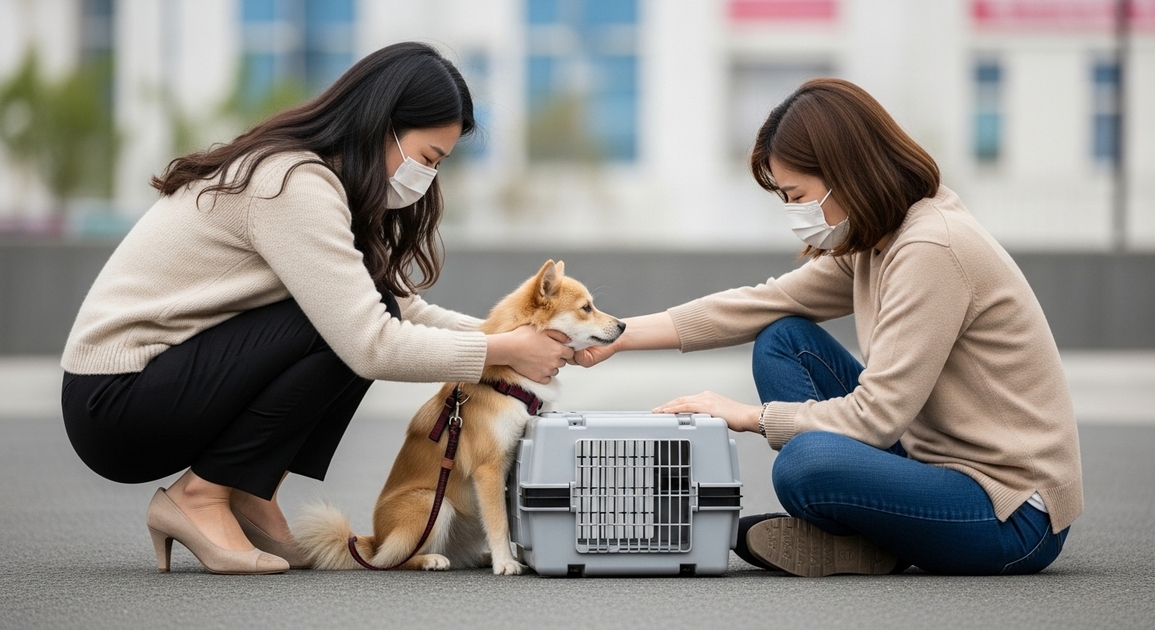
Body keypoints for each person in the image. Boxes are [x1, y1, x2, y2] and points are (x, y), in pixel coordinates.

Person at [60, 42, 574, 575]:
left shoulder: (329, 187)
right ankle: (199, 497)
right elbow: (372, 344)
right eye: (427, 160)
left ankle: (246, 490)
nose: (427, 180)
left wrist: (531, 337)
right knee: (351, 328)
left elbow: (408, 312)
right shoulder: (293, 183)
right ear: (384, 125)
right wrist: (507, 347)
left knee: (365, 312)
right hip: (115, 400)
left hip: (163, 385)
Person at [575, 78, 1082, 576]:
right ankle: (870, 545)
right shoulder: (876, 243)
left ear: (846, 171)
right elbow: (763, 303)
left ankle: (869, 541)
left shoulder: (931, 249)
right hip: (938, 470)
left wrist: (750, 416)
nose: (795, 213)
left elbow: (876, 417)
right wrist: (613, 338)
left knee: (804, 466)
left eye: (798, 195)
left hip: (1011, 510)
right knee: (783, 339)